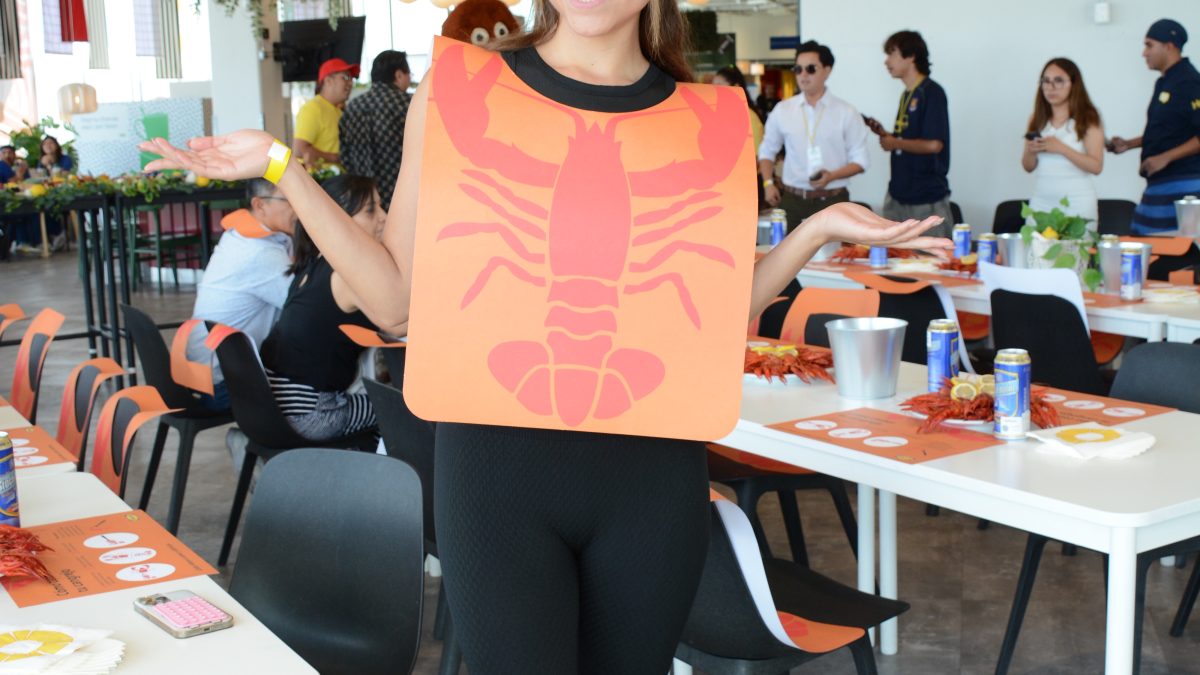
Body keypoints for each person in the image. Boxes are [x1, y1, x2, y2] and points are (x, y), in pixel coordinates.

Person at [139, 0, 947, 667]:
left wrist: (814, 233)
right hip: (498, 479)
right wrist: (282, 166)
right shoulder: (459, 89)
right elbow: (396, 305)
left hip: (652, 483)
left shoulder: (709, 118)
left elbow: (711, 315)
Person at [258, 175, 384, 442]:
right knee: (405, 409)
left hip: (273, 408)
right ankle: (376, 467)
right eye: (371, 210)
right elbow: (400, 321)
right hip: (313, 413)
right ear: (337, 220)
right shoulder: (347, 274)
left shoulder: (313, 260)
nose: (384, 218)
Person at [187, 179, 297, 410]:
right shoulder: (259, 251)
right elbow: (305, 305)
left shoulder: (240, 234)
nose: (299, 207)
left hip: (199, 375)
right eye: (289, 200)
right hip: (222, 384)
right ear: (259, 205)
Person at [758, 40, 870, 231]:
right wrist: (768, 183)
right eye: (798, 69)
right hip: (793, 200)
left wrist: (832, 176)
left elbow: (861, 161)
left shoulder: (846, 112)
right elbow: (767, 150)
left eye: (810, 69)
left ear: (827, 71)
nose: (803, 75)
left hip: (833, 200)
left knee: (836, 251)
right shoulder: (783, 110)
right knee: (786, 250)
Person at [1110, 19, 1200, 234]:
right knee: (1143, 239)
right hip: (1160, 184)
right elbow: (1168, 131)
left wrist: (1165, 157)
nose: (1144, 53)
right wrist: (1129, 144)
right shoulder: (1164, 82)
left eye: (1149, 45)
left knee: (1169, 247)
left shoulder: (1189, 82)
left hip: (1184, 184)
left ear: (1169, 46)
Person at [867, 30, 953, 239]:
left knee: (930, 257)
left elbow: (934, 145)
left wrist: (895, 143)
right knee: (894, 256)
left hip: (925, 199)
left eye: (892, 53)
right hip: (898, 195)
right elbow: (910, 139)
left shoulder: (931, 92)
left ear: (911, 56)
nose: (887, 61)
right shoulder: (907, 94)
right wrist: (888, 137)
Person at [1021, 58, 1104, 227]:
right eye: (1046, 81)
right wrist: (1031, 150)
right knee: (1035, 244)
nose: (1051, 87)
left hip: (1077, 203)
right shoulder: (1036, 118)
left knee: (1075, 245)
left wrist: (1061, 148)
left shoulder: (1088, 118)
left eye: (1058, 81)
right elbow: (1027, 166)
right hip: (1041, 202)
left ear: (1074, 84)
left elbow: (1096, 166)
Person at [339, 50, 412, 208]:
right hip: (401, 198)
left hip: (362, 202)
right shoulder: (409, 105)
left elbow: (344, 156)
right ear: (399, 75)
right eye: (409, 74)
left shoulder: (352, 107)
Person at [712, 65, 767, 209]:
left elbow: (756, 159)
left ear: (736, 87)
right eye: (713, 86)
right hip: (724, 186)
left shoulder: (749, 117)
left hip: (747, 186)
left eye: (719, 85)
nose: (714, 90)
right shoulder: (719, 115)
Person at [293, 57, 359, 168]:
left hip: (343, 176)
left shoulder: (339, 110)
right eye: (346, 77)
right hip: (324, 178)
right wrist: (334, 158)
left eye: (352, 78)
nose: (350, 83)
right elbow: (299, 150)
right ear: (328, 81)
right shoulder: (313, 108)